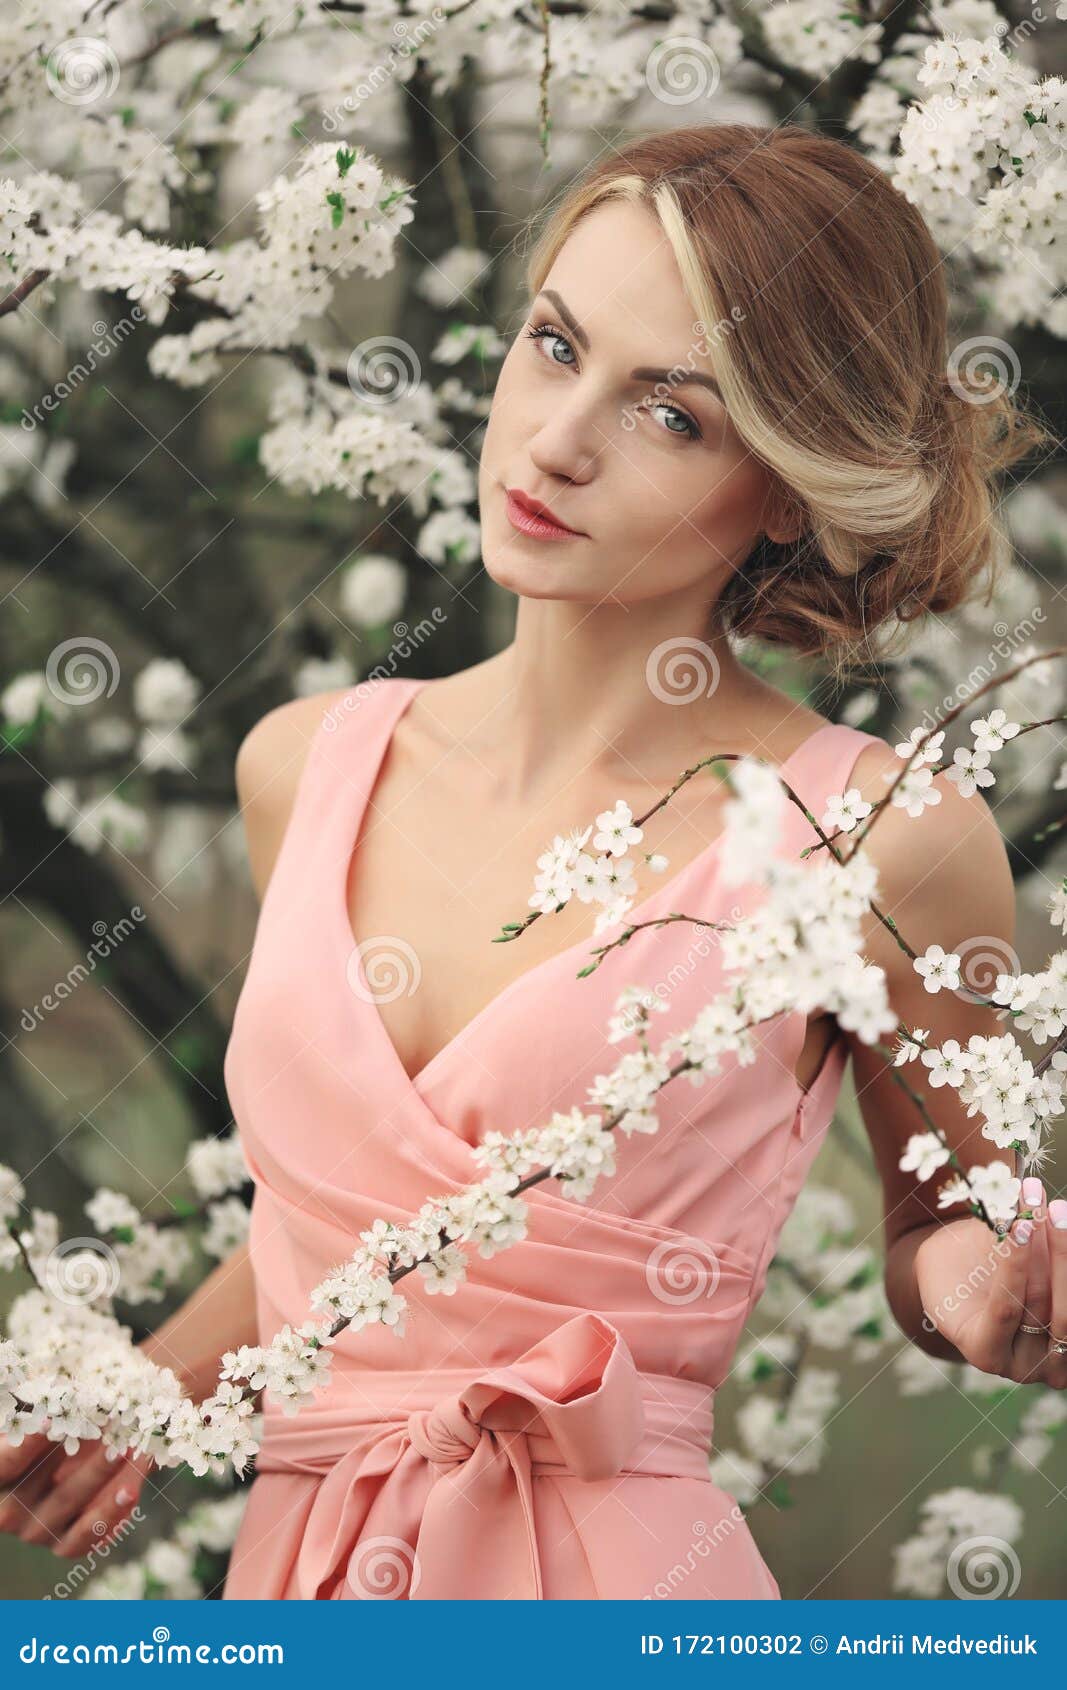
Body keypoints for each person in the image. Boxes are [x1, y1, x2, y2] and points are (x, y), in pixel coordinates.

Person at [1, 121, 1058, 1598]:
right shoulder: (304, 767)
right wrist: (137, 1395)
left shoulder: (878, 834)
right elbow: (358, 1239)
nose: (559, 441)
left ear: (789, 481)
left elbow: (939, 1219)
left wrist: (994, 1292)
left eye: (672, 414)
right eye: (555, 346)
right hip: (296, 1584)